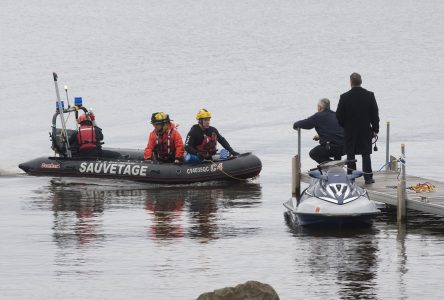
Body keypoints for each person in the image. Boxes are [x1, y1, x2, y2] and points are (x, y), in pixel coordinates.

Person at [336, 72, 380, 184]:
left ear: (350, 82)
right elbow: (375, 114)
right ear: (361, 81)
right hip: (365, 129)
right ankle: (368, 178)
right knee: (366, 154)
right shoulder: (370, 95)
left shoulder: (344, 97)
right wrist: (375, 129)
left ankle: (351, 177)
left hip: (350, 130)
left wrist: (344, 126)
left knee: (350, 154)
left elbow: (339, 116)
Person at [293, 98, 344, 164]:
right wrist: (320, 137)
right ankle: (336, 167)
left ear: (319, 107)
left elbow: (306, 124)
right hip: (344, 147)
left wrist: (295, 125)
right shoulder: (336, 115)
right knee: (336, 146)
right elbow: (336, 131)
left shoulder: (318, 116)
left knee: (313, 153)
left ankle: (335, 165)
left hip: (333, 147)